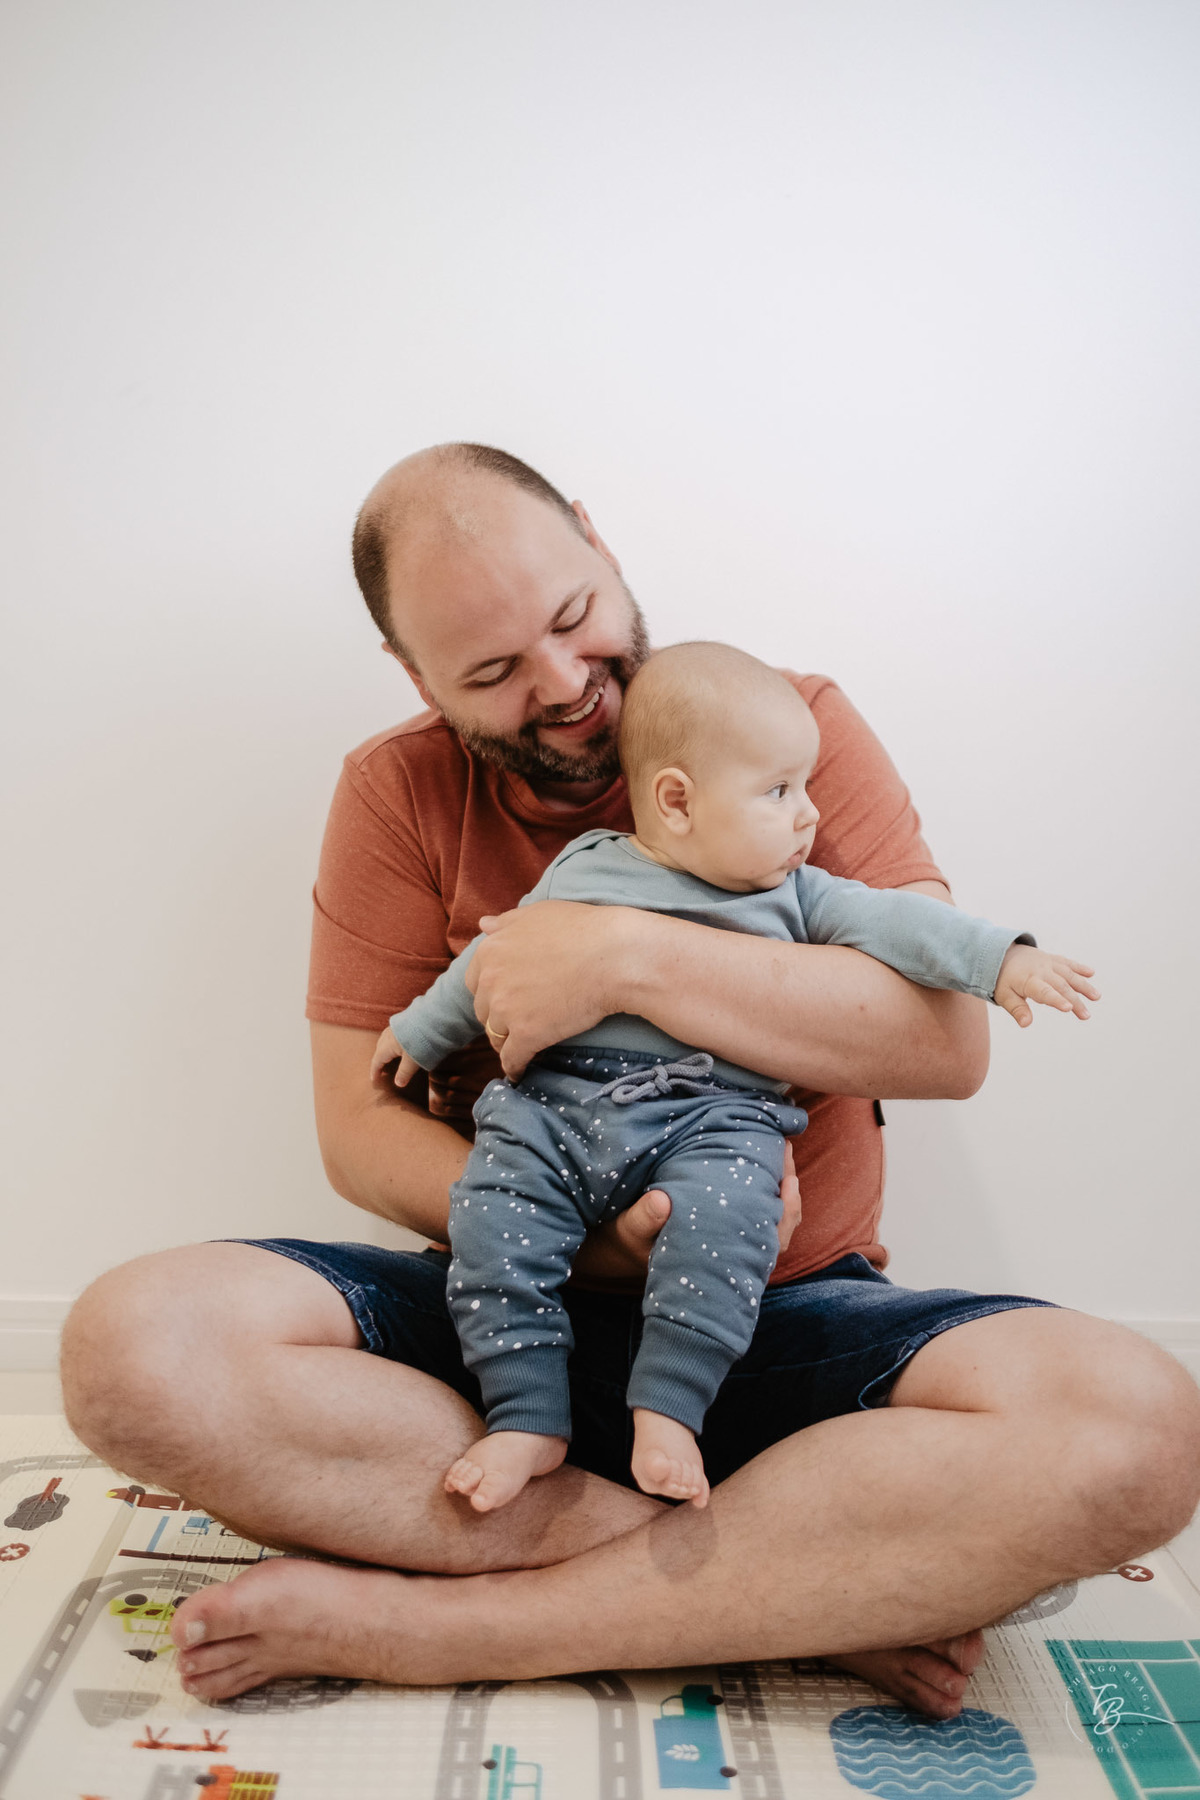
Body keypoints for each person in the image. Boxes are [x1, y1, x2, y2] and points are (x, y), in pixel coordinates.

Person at [59, 443, 1200, 1715]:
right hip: (504, 1312)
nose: (563, 687)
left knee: (1138, 1426)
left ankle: (450, 1629)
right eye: (490, 673)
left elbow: (942, 1046)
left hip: (783, 1322)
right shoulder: (394, 791)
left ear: (599, 541)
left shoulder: (784, 722)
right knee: (130, 1345)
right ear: (414, 675)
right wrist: (593, 1245)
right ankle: (800, 1590)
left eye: (571, 618)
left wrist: (616, 951)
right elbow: (356, 1126)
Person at [374, 642, 1098, 1512]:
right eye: (780, 791)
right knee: (491, 1217)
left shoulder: (800, 896)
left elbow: (902, 924)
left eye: (807, 787)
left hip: (714, 1118)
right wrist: (419, 1029)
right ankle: (526, 1410)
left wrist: (1000, 961)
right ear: (676, 801)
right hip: (555, 1108)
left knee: (729, 1223)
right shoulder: (583, 870)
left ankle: (670, 1407)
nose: (809, 816)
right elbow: (497, 957)